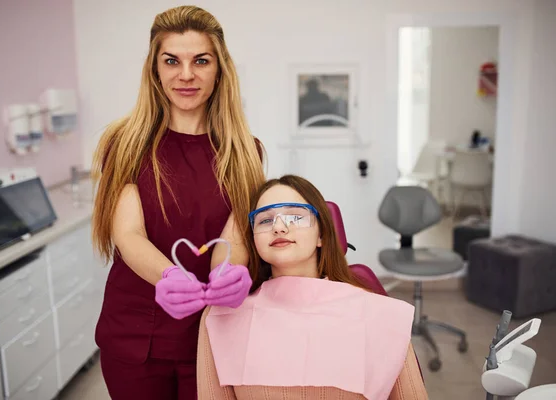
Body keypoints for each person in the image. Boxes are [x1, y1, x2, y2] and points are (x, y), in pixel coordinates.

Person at [90, 5, 265, 400]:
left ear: (219, 69)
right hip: (136, 338)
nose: (186, 74)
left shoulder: (244, 151)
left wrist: (227, 273)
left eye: (201, 60)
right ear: (155, 69)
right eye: (172, 60)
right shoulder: (126, 144)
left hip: (212, 336)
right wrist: (170, 277)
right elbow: (128, 233)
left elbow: (232, 236)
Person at [196, 175, 429, 399]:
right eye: (265, 220)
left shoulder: (381, 316)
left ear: (322, 236)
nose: (279, 227)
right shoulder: (221, 317)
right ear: (254, 240)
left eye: (295, 217)